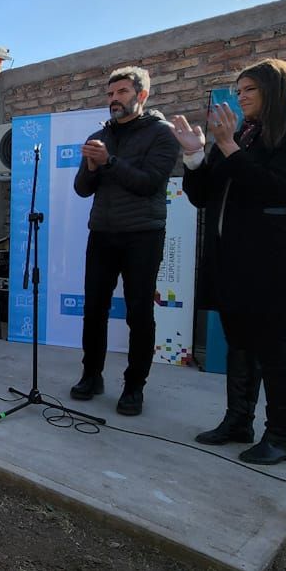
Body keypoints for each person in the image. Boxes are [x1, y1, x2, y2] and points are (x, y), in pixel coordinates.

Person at [174, 58, 286, 465]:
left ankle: (282, 437)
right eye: (238, 90)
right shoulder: (242, 136)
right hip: (232, 262)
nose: (239, 97)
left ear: (276, 91)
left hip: (274, 264)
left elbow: (277, 189)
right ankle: (238, 421)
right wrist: (194, 158)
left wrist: (226, 146)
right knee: (239, 346)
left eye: (249, 90)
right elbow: (204, 195)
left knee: (276, 352)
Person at [71, 66, 179, 416]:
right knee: (94, 309)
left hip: (143, 235)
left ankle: (134, 386)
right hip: (102, 232)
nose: (114, 99)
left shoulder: (162, 134)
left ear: (141, 96)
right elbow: (82, 189)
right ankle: (92, 375)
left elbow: (149, 183)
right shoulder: (99, 135)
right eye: (110, 94)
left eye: (121, 92)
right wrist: (90, 167)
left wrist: (110, 162)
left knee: (139, 313)